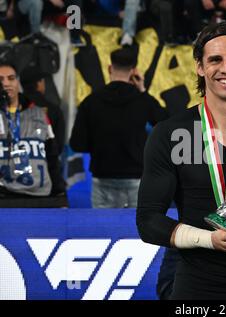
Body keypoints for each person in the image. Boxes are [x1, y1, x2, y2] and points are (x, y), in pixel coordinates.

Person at [136, 21, 226, 299]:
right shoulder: (170, 133)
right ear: (200, 67)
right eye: (215, 59)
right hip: (198, 285)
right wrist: (211, 241)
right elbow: (148, 220)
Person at [70, 47, 168, 208]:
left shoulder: (91, 102)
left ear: (109, 68)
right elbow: (165, 123)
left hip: (102, 178)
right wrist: (143, 90)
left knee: (103, 230)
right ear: (134, 71)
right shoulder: (142, 101)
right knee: (134, 231)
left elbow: (77, 143)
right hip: (135, 179)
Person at [0, 61, 57, 198]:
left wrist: (59, 194)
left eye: (11, 78)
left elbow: (52, 154)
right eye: (0, 80)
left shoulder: (39, 113)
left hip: (39, 196)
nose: (6, 83)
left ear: (18, 81)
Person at [20, 65, 66, 196]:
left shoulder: (13, 110)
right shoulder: (54, 110)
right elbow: (59, 145)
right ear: (39, 83)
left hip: (17, 175)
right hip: (47, 176)